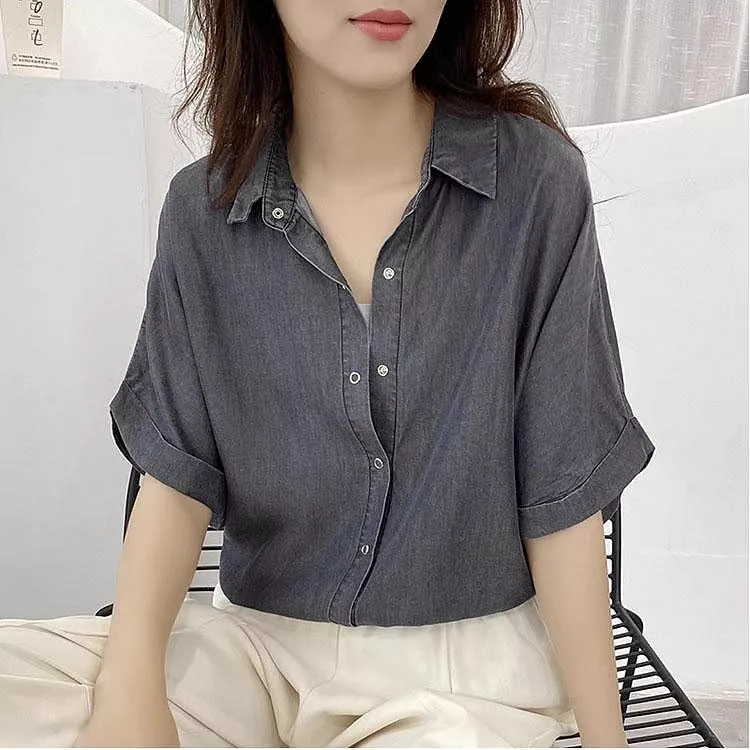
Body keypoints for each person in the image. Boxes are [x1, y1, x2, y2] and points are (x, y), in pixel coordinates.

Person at [0, 0, 656, 747]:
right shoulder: (204, 211)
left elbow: (563, 498)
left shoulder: (534, 187)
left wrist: (607, 741)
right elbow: (177, 479)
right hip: (259, 655)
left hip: (461, 678)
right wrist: (129, 690)